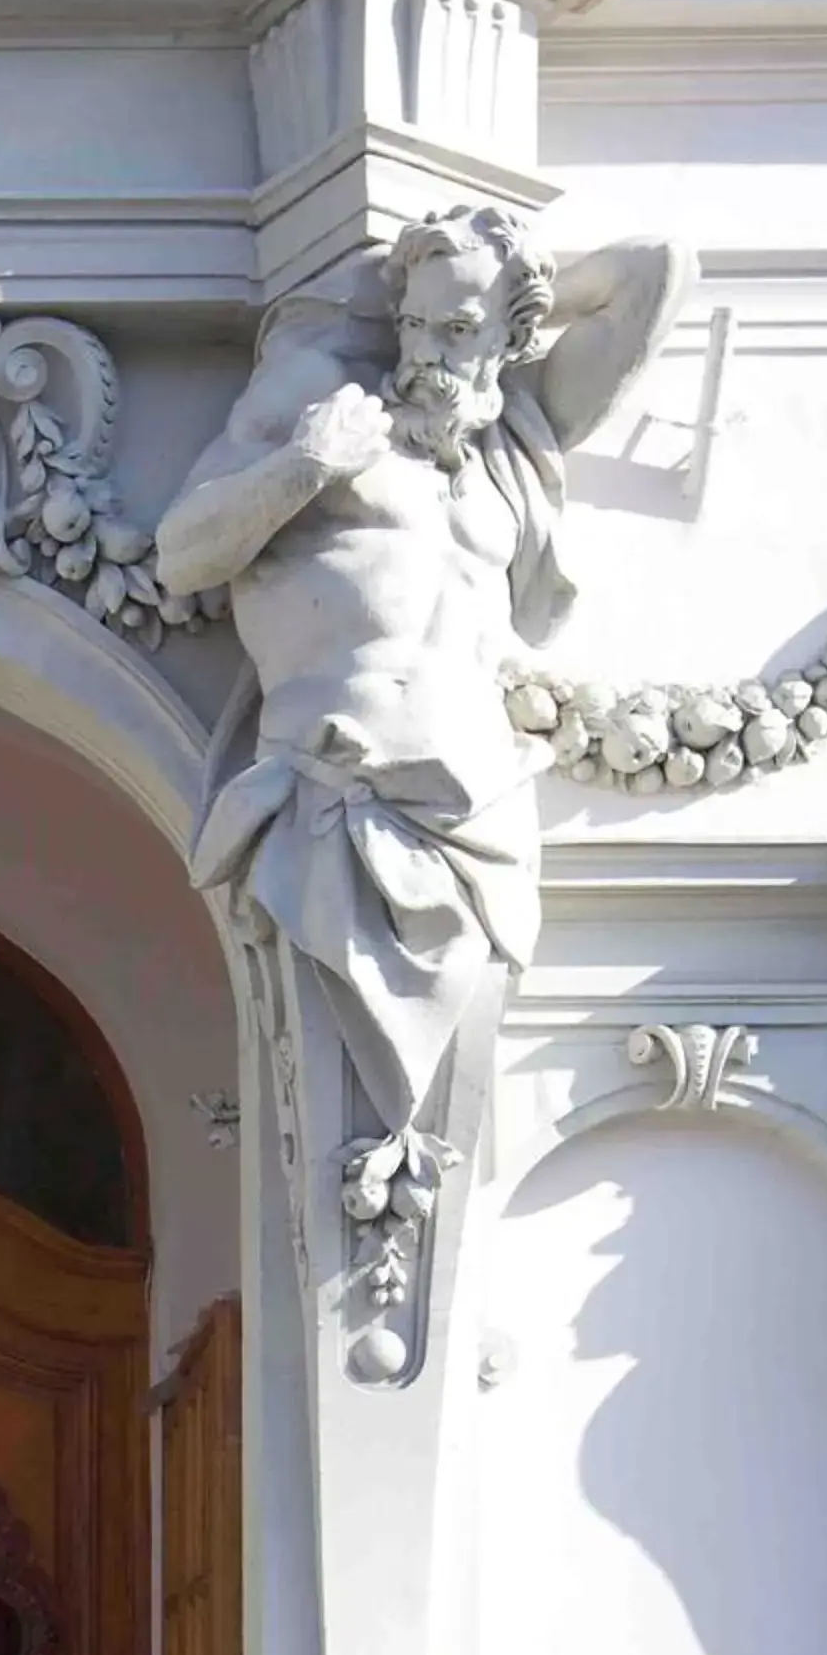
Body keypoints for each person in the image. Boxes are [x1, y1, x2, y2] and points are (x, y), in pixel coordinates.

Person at [156, 205, 689, 1136]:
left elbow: (657, 267)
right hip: (333, 793)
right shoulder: (321, 400)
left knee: (442, 1132)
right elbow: (184, 553)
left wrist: (511, 283)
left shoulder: (517, 439)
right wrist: (309, 465)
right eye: (413, 325)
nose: (428, 353)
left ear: (510, 334)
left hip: (474, 815)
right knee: (332, 1122)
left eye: (456, 330)